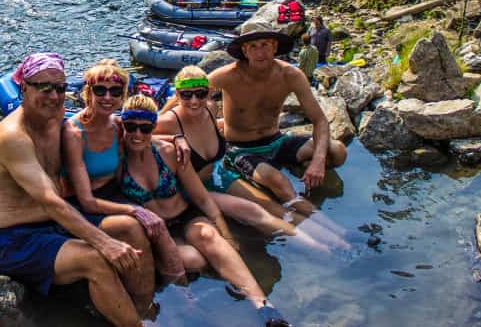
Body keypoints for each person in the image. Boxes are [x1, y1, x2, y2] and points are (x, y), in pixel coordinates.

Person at [0, 53, 154, 327]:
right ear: (23, 87)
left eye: (60, 87)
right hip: (15, 239)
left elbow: (94, 123)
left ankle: (144, 308)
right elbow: (50, 200)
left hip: (53, 225)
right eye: (44, 87)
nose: (54, 95)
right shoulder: (13, 136)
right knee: (95, 258)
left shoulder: (55, 115)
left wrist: (173, 138)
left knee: (131, 228)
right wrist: (105, 243)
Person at [119, 93, 292, 327]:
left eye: (145, 128)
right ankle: (190, 307)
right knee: (193, 260)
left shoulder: (169, 152)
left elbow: (201, 197)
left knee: (209, 235)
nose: (138, 134)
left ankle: (264, 307)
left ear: (153, 127)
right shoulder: (116, 159)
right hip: (157, 232)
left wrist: (226, 234)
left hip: (185, 215)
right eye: (131, 126)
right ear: (122, 125)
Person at [155, 66, 333, 253]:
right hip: (193, 189)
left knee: (271, 205)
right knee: (255, 212)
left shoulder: (210, 109)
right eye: (186, 95)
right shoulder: (168, 122)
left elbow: (208, 129)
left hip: (217, 173)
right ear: (177, 95)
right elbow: (132, 134)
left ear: (209, 92)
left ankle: (337, 239)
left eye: (200, 94)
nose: (194, 101)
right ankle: (323, 252)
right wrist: (174, 138)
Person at [209, 21, 348, 221]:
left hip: (277, 141)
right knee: (280, 182)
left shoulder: (290, 75)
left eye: (265, 45)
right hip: (242, 148)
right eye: (253, 47)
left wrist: (317, 162)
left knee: (338, 151)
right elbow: (186, 95)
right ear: (244, 51)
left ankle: (304, 169)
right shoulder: (227, 76)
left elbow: (320, 120)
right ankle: (328, 226)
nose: (260, 52)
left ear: (274, 47)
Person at [62, 59, 185, 281]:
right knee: (137, 227)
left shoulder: (117, 125)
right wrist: (134, 211)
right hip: (83, 203)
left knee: (158, 227)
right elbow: (87, 201)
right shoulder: (74, 133)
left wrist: (177, 138)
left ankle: (181, 290)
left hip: (112, 193)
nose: (108, 97)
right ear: (88, 92)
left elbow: (145, 138)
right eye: (100, 90)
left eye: (115, 91)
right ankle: (149, 294)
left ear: (123, 95)